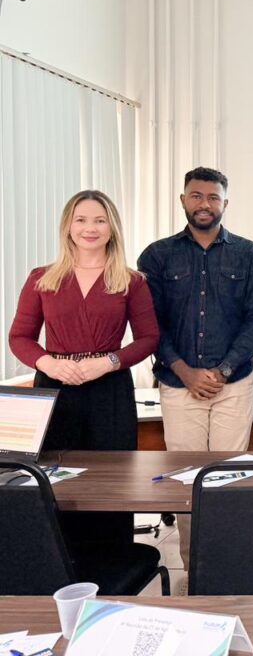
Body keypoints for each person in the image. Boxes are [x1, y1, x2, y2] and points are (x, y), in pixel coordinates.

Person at [9, 189, 159, 546]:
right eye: (81, 220)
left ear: (112, 227)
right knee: (55, 480)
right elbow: (19, 337)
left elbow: (148, 338)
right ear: (68, 226)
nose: (90, 228)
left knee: (112, 480)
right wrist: (49, 363)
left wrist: (107, 362)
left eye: (99, 220)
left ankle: (114, 562)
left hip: (109, 391)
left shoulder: (132, 281)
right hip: (55, 390)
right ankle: (60, 565)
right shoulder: (41, 278)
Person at [137, 166, 253, 570]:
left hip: (234, 385)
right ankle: (195, 572)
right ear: (183, 200)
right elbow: (150, 325)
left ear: (225, 203)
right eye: (196, 196)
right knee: (188, 480)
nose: (204, 204)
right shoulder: (157, 256)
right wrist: (185, 370)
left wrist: (223, 370)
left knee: (228, 481)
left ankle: (228, 569)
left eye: (213, 197)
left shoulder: (249, 253)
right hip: (179, 386)